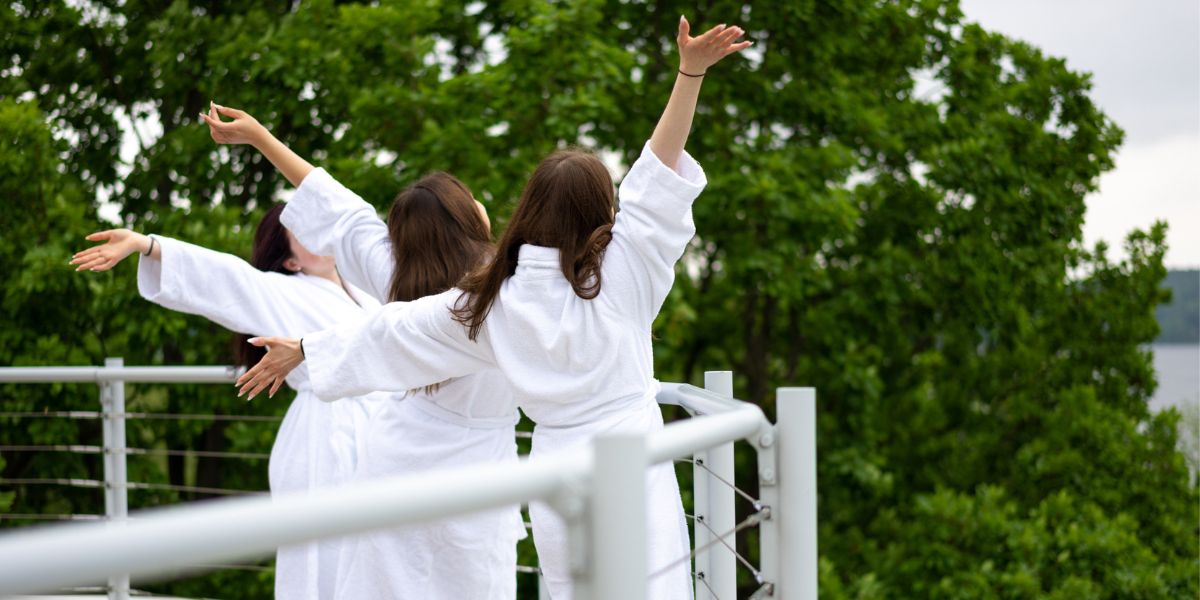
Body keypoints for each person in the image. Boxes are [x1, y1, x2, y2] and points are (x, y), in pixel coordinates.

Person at [234, 16, 750, 599]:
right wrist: (689, 73)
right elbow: (655, 180)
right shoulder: (626, 273)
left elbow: (395, 331)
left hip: (557, 473)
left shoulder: (489, 301)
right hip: (631, 460)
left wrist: (306, 349)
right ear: (601, 214)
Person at [198, 104, 526, 600]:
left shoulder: (397, 275)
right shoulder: (508, 291)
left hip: (397, 461)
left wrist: (262, 138)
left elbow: (340, 212)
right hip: (474, 476)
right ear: (470, 218)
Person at [70, 206, 391, 600]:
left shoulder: (369, 289)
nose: (320, 237)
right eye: (304, 235)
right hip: (324, 440)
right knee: (320, 553)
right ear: (290, 259)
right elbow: (227, 278)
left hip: (379, 430)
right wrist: (148, 245)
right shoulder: (280, 291)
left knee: (376, 550)